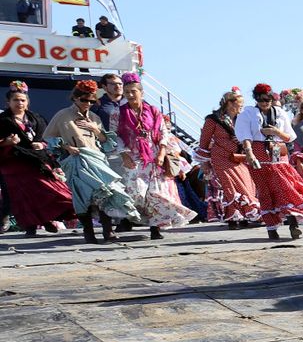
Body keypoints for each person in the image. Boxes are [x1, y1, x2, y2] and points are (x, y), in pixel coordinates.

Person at [43, 80, 142, 242]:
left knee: (105, 192)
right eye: (84, 100)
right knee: (83, 196)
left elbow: (107, 142)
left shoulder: (94, 117)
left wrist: (95, 129)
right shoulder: (63, 115)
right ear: (75, 98)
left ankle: (108, 232)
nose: (88, 104)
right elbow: (48, 137)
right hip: (76, 160)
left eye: (91, 101)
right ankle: (88, 232)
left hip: (97, 159)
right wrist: (67, 147)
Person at [238, 83, 303, 240]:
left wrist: (276, 132)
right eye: (260, 99)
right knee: (265, 192)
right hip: (259, 154)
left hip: (278, 153)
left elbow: (290, 137)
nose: (264, 103)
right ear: (256, 99)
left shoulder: (279, 113)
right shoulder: (248, 114)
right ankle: (272, 228)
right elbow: (245, 136)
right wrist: (250, 154)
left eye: (267, 99)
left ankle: (293, 223)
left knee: (286, 187)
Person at [115, 75, 196, 239]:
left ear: (141, 93)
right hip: (134, 157)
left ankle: (155, 228)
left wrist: (162, 153)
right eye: (127, 92)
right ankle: (128, 219)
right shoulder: (118, 113)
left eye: (133, 91)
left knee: (156, 193)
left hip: (154, 157)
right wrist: (124, 155)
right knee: (136, 192)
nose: (130, 95)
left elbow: (163, 133)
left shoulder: (153, 111)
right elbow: (115, 136)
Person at [0, 81, 76, 236]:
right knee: (24, 196)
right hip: (14, 162)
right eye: (15, 100)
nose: (19, 103)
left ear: (27, 102)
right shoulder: (2, 121)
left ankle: (47, 218)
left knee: (53, 190)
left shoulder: (36, 118)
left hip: (37, 160)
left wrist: (41, 145)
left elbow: (47, 138)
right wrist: (7, 142)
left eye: (22, 100)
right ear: (8, 102)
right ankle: (31, 226)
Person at [196, 88, 261, 228]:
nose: (242, 106)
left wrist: (244, 141)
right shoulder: (213, 119)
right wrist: (204, 162)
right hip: (221, 157)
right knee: (229, 185)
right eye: (240, 103)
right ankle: (232, 217)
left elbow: (251, 136)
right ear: (230, 103)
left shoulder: (242, 119)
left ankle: (244, 215)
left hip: (239, 158)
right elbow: (204, 141)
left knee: (245, 185)